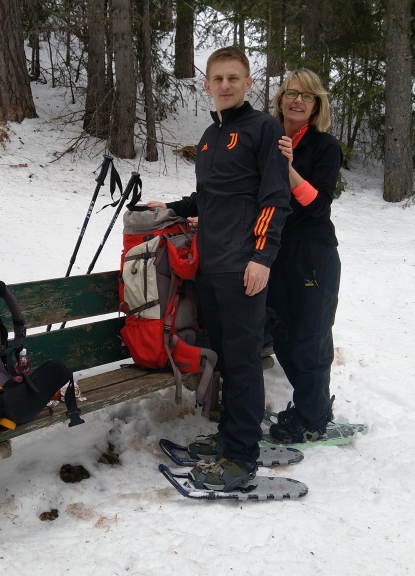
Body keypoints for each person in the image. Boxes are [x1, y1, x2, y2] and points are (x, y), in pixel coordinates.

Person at [146, 46, 291, 491]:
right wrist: (171, 207)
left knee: (244, 361)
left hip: (243, 266)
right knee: (227, 357)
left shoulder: (264, 129)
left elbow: (274, 199)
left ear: (248, 83)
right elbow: (209, 198)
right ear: (207, 85)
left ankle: (241, 457)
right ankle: (230, 437)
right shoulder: (211, 136)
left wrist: (261, 258)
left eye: (234, 78)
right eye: (218, 79)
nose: (225, 85)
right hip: (210, 266)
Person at [266, 69, 344, 443]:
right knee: (281, 333)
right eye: (291, 93)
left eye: (307, 96)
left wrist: (288, 169)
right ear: (280, 98)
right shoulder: (265, 138)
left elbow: (318, 207)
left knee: (310, 337)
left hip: (312, 252)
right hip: (273, 251)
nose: (298, 101)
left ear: (316, 106)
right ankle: (313, 408)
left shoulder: (325, 147)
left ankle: (312, 418)